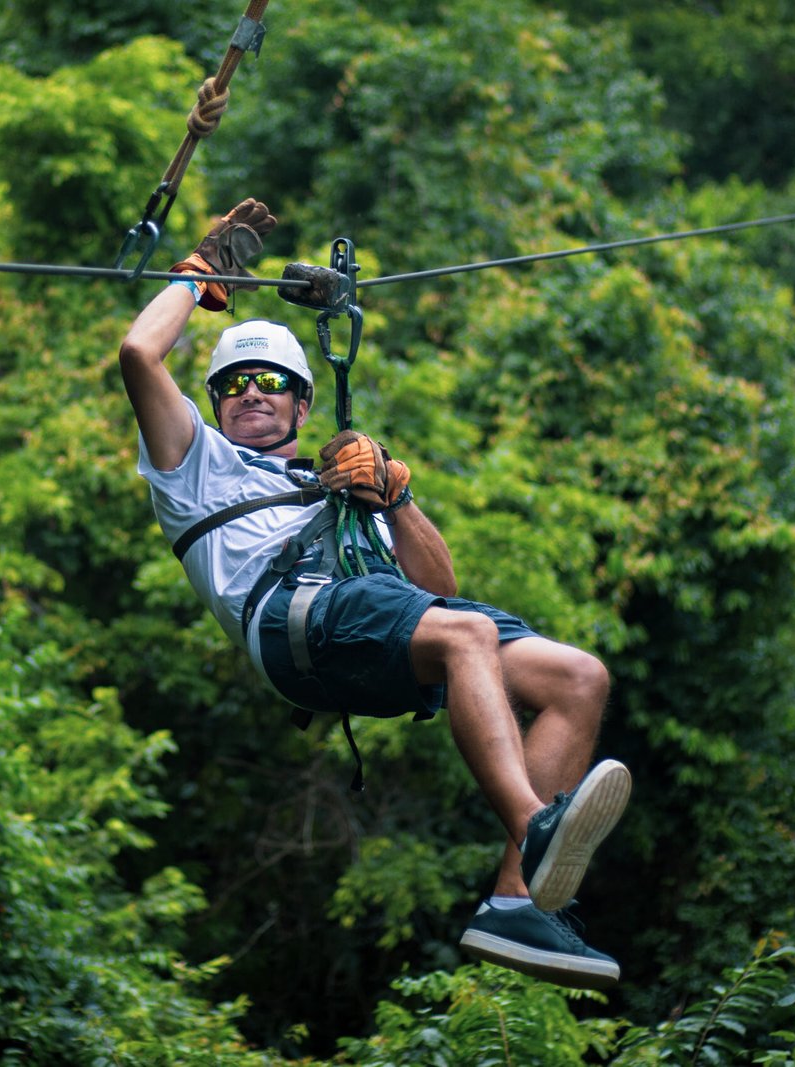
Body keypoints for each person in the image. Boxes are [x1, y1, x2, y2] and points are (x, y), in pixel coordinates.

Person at [118, 198, 632, 989]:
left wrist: (394, 494)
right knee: (463, 638)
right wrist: (203, 274)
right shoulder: (194, 464)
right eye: (233, 387)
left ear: (300, 401)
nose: (250, 395)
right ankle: (536, 826)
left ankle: (515, 905)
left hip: (365, 621)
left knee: (577, 676)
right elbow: (138, 354)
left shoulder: (337, 482)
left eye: (270, 383)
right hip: (291, 619)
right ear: (215, 404)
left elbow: (440, 592)